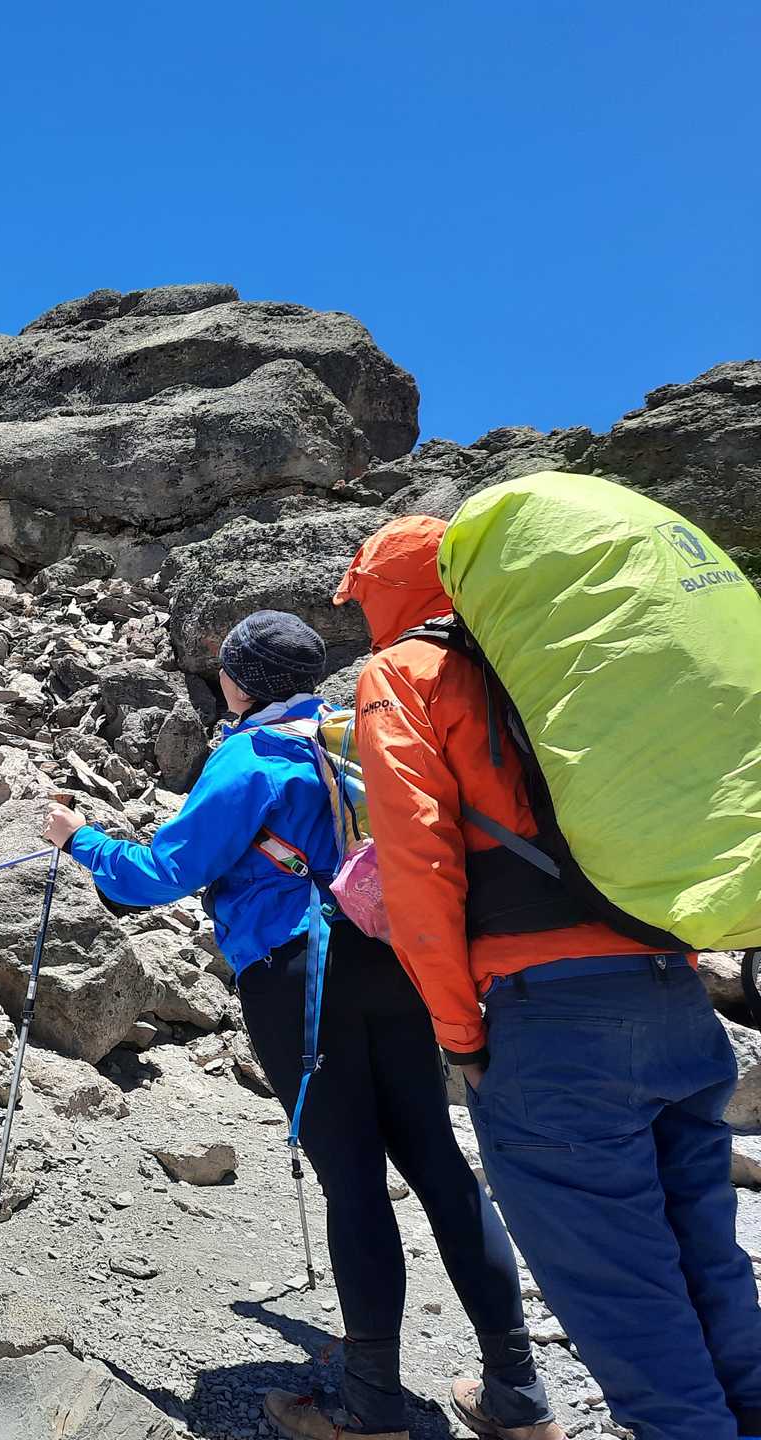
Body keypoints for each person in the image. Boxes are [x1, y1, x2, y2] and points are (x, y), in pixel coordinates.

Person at [42, 610, 563, 1440]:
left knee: (353, 1179)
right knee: (438, 1164)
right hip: (399, 961)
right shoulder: (360, 736)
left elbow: (160, 874)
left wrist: (81, 840)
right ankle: (521, 1403)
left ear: (237, 681)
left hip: (301, 977)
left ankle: (370, 1413)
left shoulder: (249, 755)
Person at [337, 517, 761, 1440]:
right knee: (708, 1265)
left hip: (552, 1023)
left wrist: (459, 1035)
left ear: (389, 590)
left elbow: (419, 871)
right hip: (672, 993)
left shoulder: (404, 674)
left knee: (626, 1299)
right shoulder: (564, 659)